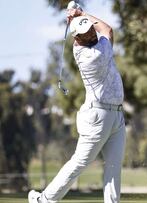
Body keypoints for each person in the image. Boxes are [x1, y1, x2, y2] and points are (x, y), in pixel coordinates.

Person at [28, 8, 126, 203]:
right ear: (77, 39)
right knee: (80, 162)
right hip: (97, 116)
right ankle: (45, 200)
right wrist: (82, 14)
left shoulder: (88, 43)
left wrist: (79, 18)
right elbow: (107, 30)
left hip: (116, 115)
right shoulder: (94, 54)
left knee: (114, 167)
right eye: (86, 33)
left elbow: (99, 31)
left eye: (90, 30)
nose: (91, 34)